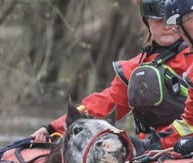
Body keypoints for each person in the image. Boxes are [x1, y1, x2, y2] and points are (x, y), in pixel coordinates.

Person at [31, 0, 193, 154]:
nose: (167, 26)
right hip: (155, 150)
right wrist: (52, 129)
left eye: (171, 20)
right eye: (159, 21)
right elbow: (103, 105)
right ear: (147, 22)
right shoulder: (137, 69)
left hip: (177, 144)